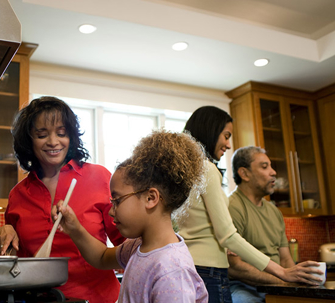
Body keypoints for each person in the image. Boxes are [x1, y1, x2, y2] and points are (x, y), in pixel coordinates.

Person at [177, 106, 321, 303]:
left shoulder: (183, 172)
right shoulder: (208, 170)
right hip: (210, 271)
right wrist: (282, 273)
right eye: (226, 135)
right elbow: (227, 235)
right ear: (210, 131)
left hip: (190, 267)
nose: (228, 144)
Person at [0, 96, 125, 303]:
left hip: (97, 298)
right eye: (42, 134)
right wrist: (7, 230)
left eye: (61, 133)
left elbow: (128, 243)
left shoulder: (100, 178)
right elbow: (19, 258)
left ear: (71, 136)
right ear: (29, 140)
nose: (53, 142)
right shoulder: (18, 194)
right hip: (37, 298)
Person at [53, 129, 209, 303]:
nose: (111, 210)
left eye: (117, 201)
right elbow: (102, 257)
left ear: (151, 198)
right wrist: (74, 228)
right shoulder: (138, 247)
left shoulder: (172, 270)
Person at [228, 146, 322, 302]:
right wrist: (284, 282)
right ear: (244, 173)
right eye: (264, 167)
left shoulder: (274, 211)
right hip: (243, 286)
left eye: (271, 166)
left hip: (277, 284)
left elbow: (285, 259)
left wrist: (295, 281)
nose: (273, 172)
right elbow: (235, 266)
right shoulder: (232, 207)